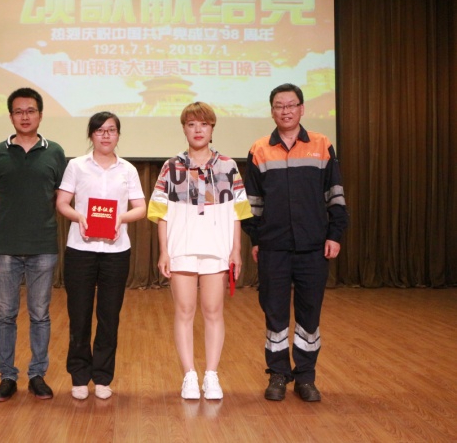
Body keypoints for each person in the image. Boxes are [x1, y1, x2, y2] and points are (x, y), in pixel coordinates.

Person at [241, 83, 348, 402]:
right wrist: (256, 238)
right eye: (279, 106)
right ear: (272, 111)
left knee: (309, 314)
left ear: (302, 108)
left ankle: (305, 377)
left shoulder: (322, 145)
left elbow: (335, 193)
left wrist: (334, 234)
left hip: (314, 246)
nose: (285, 111)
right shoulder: (259, 148)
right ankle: (278, 374)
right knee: (274, 313)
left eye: (291, 105)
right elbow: (252, 202)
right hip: (273, 247)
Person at [147, 102, 253, 400]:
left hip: (216, 249)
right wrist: (164, 251)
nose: (197, 129)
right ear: (184, 128)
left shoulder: (228, 166)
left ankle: (211, 375)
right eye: (191, 124)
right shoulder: (171, 166)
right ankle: (189, 376)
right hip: (181, 248)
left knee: (213, 311)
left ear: (212, 128)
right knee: (184, 311)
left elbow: (238, 212)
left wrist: (236, 250)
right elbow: (160, 212)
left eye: (203, 124)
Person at [0, 87, 67, 402]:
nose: (25, 116)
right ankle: (7, 377)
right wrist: (11, 225)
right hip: (5, 246)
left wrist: (35, 224)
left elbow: (60, 196)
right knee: (6, 314)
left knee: (40, 314)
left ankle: (37, 376)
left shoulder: (55, 152)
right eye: (19, 112)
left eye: (30, 111)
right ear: (11, 117)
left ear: (40, 115)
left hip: (43, 246)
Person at [56, 112, 146, 400]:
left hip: (115, 253)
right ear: (91, 134)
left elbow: (141, 208)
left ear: (118, 135)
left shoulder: (128, 170)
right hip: (80, 251)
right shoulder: (76, 166)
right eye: (100, 130)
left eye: (111, 130)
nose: (106, 135)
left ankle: (103, 377)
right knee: (79, 315)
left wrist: (120, 218)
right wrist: (79, 217)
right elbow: (62, 203)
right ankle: (79, 376)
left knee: (109, 317)